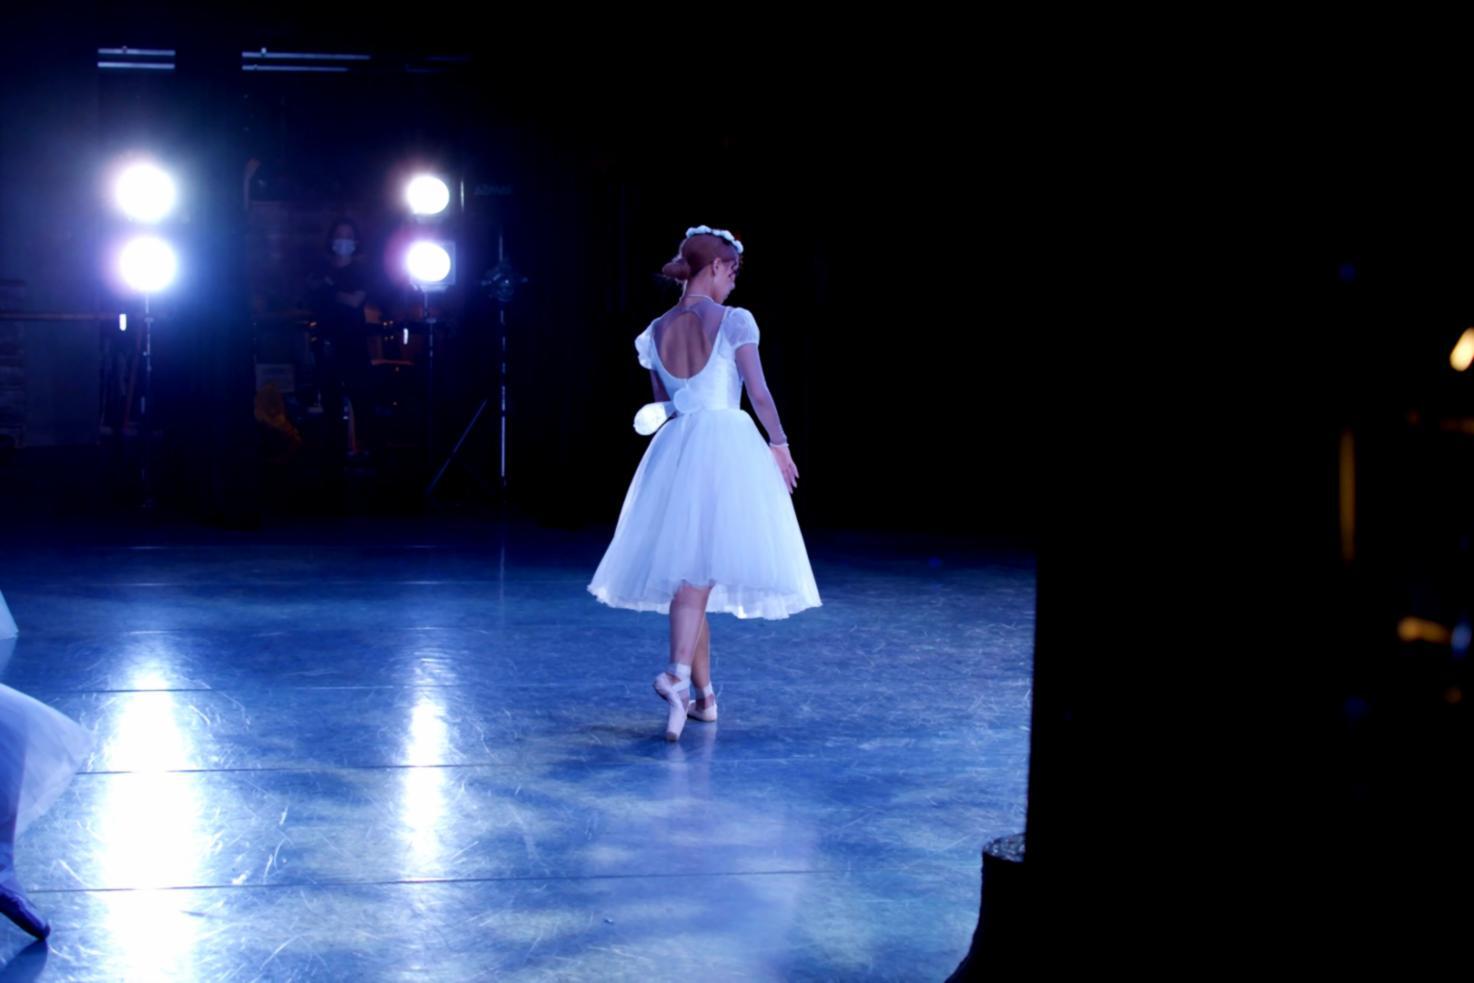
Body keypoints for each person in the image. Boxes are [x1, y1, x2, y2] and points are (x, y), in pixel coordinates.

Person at [588, 226, 821, 740]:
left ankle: (703, 698)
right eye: (733, 272)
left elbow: (664, 407)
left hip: (678, 450)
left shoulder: (655, 331)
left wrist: (675, 408)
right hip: (723, 449)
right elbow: (758, 394)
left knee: (691, 582)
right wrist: (779, 445)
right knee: (694, 583)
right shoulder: (735, 320)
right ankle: (674, 676)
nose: (734, 284)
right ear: (716, 267)